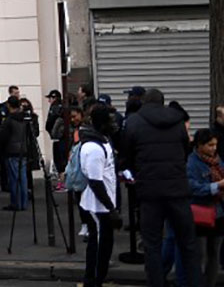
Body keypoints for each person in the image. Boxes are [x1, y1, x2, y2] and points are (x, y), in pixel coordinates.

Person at [123, 89, 197, 286]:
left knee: (152, 245)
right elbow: (185, 151)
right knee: (188, 243)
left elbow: (127, 155)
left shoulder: (134, 122)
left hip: (150, 191)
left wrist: (135, 172)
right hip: (178, 189)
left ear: (145, 102)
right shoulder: (178, 121)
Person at [78, 105, 118, 287]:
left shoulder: (103, 141)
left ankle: (96, 280)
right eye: (111, 120)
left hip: (103, 206)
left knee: (104, 247)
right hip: (98, 207)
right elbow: (95, 182)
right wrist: (111, 208)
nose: (115, 123)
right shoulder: (93, 148)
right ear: (102, 124)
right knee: (99, 249)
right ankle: (93, 282)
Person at [187, 128, 224, 286]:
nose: (214, 148)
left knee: (214, 252)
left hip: (219, 212)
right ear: (200, 145)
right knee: (199, 255)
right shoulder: (192, 163)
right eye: (210, 145)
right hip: (200, 213)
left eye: (215, 145)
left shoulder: (218, 160)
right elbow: (193, 187)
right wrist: (217, 186)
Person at [0, 95, 28, 211]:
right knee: (23, 177)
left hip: (11, 150)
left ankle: (16, 203)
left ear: (9, 105)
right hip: (23, 149)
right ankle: (23, 202)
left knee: (14, 179)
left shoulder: (9, 120)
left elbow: (3, 137)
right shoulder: (25, 118)